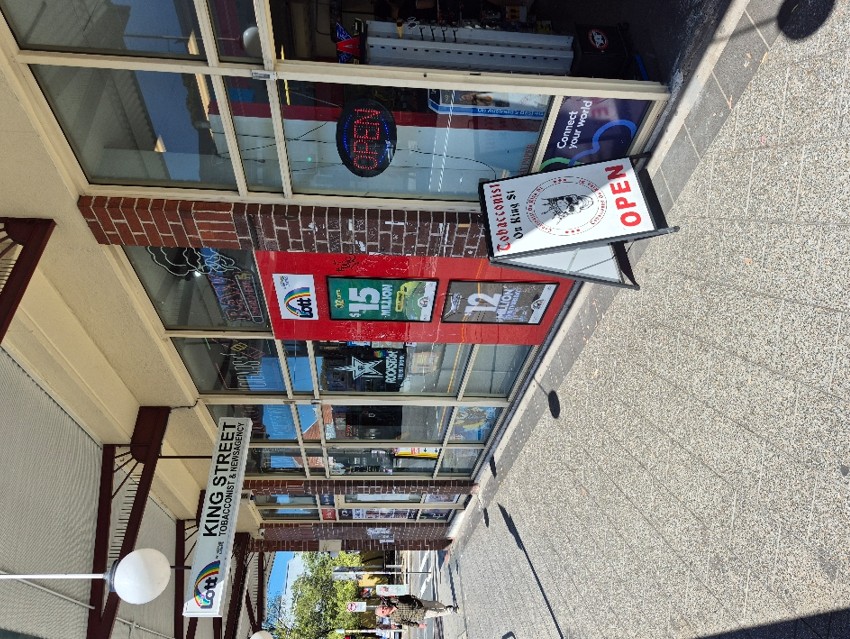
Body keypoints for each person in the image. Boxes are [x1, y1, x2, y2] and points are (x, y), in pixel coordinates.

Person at [375, 594, 459, 628]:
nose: (384, 609)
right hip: (419, 614)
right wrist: (418, 625)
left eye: (383, 607)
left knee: (435, 604)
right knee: (436, 613)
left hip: (418, 603)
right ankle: (451, 610)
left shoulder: (392, 601)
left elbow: (402, 596)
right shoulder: (395, 618)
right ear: (384, 615)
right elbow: (407, 623)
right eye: (383, 611)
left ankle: (445, 608)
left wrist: (412, 597)